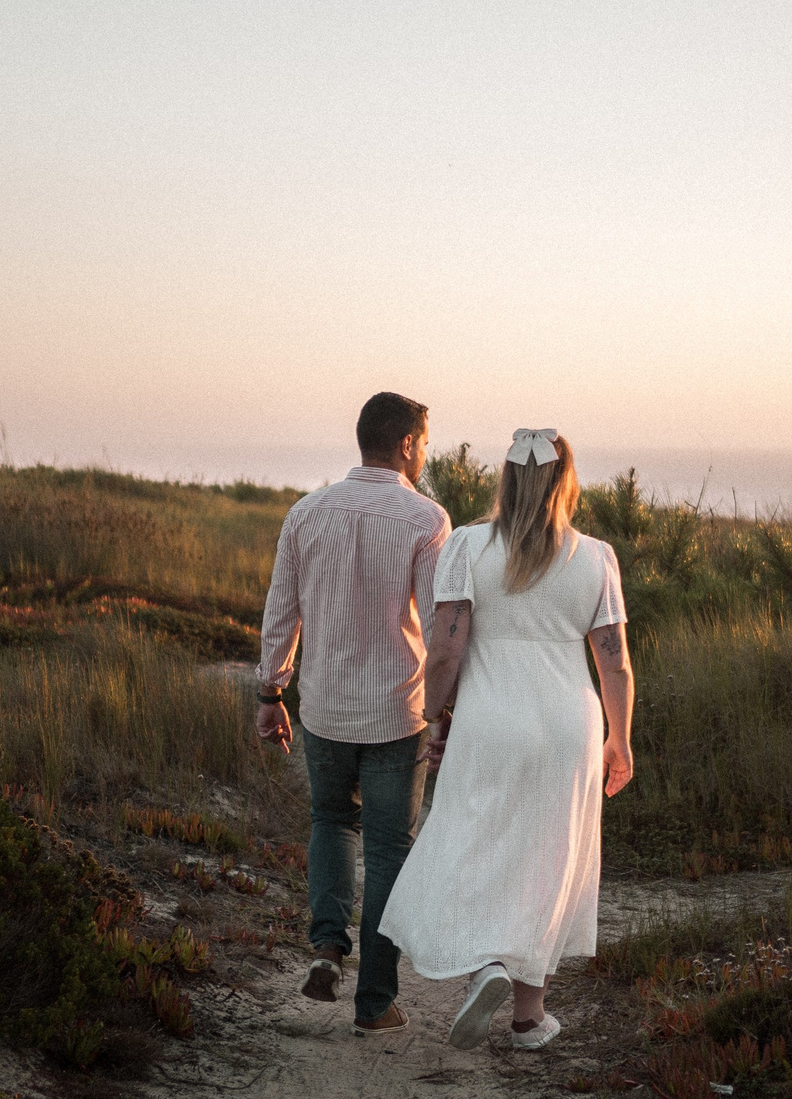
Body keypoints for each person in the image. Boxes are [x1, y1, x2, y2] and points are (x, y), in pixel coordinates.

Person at [377, 428, 635, 1052]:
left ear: (507, 479)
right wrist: (621, 740)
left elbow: (445, 649)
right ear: (566, 482)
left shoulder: (467, 545)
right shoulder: (596, 557)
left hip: (492, 720)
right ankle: (528, 1019)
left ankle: (485, 966)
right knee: (551, 859)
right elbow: (616, 663)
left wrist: (430, 718)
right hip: (570, 725)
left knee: (474, 842)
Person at [255, 391, 451, 1033]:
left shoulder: (306, 514)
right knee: (391, 850)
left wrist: (271, 692)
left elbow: (282, 610)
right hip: (400, 711)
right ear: (405, 445)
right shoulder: (427, 520)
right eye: (424, 442)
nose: (425, 453)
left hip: (327, 709)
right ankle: (376, 1003)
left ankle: (328, 950)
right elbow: (443, 623)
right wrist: (448, 709)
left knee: (331, 821)